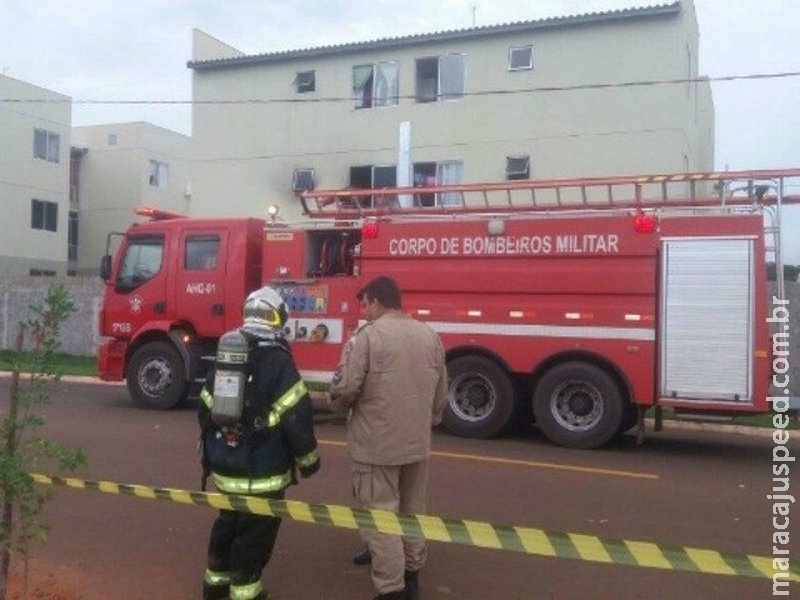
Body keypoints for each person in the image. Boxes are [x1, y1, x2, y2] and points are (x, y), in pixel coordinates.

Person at [199, 286, 320, 600]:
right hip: (262, 474)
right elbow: (296, 416)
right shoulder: (278, 361)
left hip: (225, 469)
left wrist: (221, 447)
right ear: (278, 318)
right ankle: (246, 592)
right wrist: (309, 461)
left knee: (228, 523)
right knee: (255, 534)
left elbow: (205, 408)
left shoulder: (227, 356)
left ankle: (214, 586)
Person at [330, 276, 448, 600]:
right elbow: (441, 395)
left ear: (377, 302)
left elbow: (346, 388)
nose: (364, 310)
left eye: (365, 303)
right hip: (416, 444)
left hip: (375, 447)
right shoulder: (429, 335)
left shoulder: (366, 337)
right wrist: (425, 423)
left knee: (380, 516)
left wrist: (338, 407)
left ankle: (390, 589)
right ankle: (412, 576)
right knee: (412, 511)